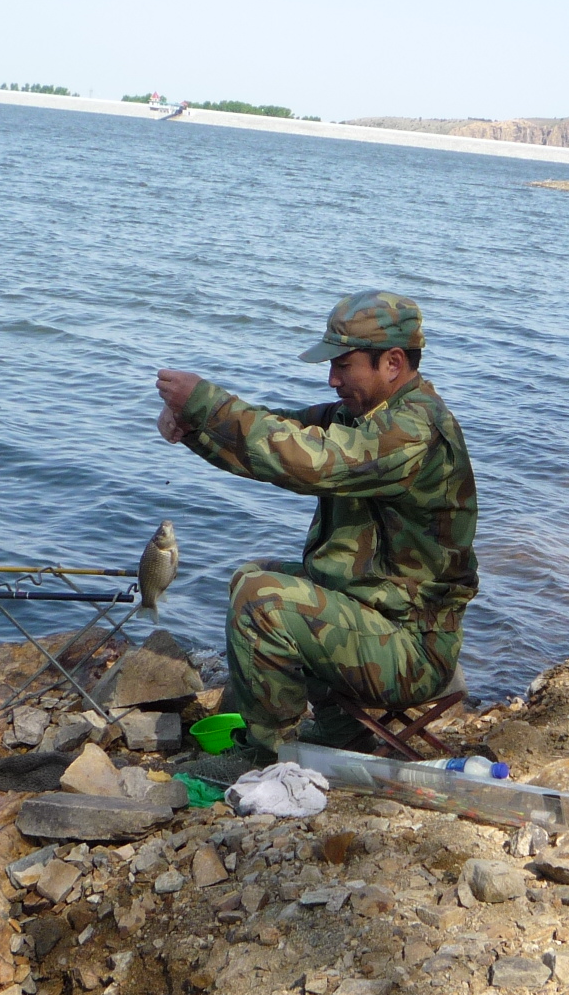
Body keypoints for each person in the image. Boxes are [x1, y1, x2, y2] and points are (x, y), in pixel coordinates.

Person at [155, 291, 477, 785]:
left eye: (344, 365)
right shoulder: (359, 418)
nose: (332, 379)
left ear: (392, 362)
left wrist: (204, 400)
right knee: (253, 574)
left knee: (259, 600)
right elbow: (279, 438)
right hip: (377, 618)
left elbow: (308, 461)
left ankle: (269, 759)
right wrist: (194, 427)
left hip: (415, 649)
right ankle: (338, 731)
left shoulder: (413, 430)